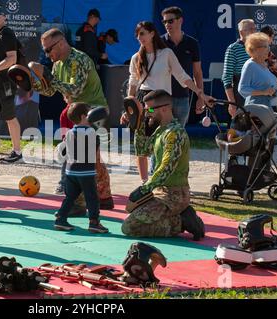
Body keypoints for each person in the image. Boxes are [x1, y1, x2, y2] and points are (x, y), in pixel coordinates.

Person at [121, 21, 211, 183]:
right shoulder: (136, 58)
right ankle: (144, 184)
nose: (139, 37)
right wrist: (129, 109)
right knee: (141, 146)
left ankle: (162, 181)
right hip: (143, 105)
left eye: (143, 33)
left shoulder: (166, 53)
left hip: (162, 104)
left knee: (162, 143)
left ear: (152, 34)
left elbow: (183, 76)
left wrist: (200, 93)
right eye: (138, 34)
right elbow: (132, 85)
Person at [34, 28, 114, 211]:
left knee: (83, 158)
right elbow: (50, 91)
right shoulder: (58, 64)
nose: (47, 54)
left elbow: (75, 90)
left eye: (48, 49)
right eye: (44, 50)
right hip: (77, 114)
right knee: (89, 158)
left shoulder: (79, 59)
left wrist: (47, 76)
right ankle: (104, 196)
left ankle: (80, 202)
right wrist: (33, 83)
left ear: (61, 43)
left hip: (94, 114)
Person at [122, 90, 205, 238]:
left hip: (174, 195)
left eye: (151, 110)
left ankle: (181, 221)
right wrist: (139, 122)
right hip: (160, 191)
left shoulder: (174, 133)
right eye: (146, 110)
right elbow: (142, 151)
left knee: (130, 227)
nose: (148, 113)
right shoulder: (161, 130)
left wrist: (145, 188)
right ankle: (179, 216)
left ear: (165, 108)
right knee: (131, 212)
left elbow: (166, 168)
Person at [54, 102, 109, 233]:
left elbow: (65, 150)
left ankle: (60, 218)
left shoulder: (69, 132)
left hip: (70, 172)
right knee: (92, 198)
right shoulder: (91, 132)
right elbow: (95, 149)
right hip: (86, 172)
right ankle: (94, 223)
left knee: (70, 197)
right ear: (85, 116)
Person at [0, 5, 23, 163]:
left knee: (9, 117)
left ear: (4, 17)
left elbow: (12, 59)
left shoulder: (6, 33)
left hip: (4, 83)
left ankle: (17, 152)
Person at [161, 6, 205, 126]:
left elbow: (197, 72)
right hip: (162, 98)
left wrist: (200, 98)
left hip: (183, 97)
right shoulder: (159, 43)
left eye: (170, 21)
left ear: (180, 21)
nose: (167, 24)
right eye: (164, 21)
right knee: (161, 135)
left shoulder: (192, 43)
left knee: (179, 135)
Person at [222, 19, 256, 117]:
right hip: (240, 94)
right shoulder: (233, 49)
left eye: (255, 29)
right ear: (241, 32)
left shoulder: (258, 48)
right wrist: (232, 103)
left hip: (258, 93)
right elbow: (226, 77)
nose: (254, 31)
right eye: (251, 29)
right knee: (240, 128)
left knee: (257, 127)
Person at [238, 32, 277, 110]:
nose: (269, 49)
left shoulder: (263, 64)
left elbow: (261, 84)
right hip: (256, 109)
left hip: (267, 107)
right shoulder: (250, 65)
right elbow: (242, 89)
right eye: (266, 47)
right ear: (256, 49)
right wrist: (264, 92)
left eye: (269, 46)